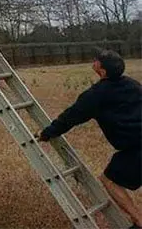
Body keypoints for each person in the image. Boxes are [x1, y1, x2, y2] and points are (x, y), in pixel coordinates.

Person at [38, 50, 142, 229]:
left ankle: (139, 221)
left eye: (97, 61)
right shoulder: (133, 84)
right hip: (135, 146)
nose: (94, 61)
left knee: (109, 180)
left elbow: (71, 117)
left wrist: (47, 133)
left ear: (102, 71)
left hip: (137, 148)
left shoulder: (96, 95)